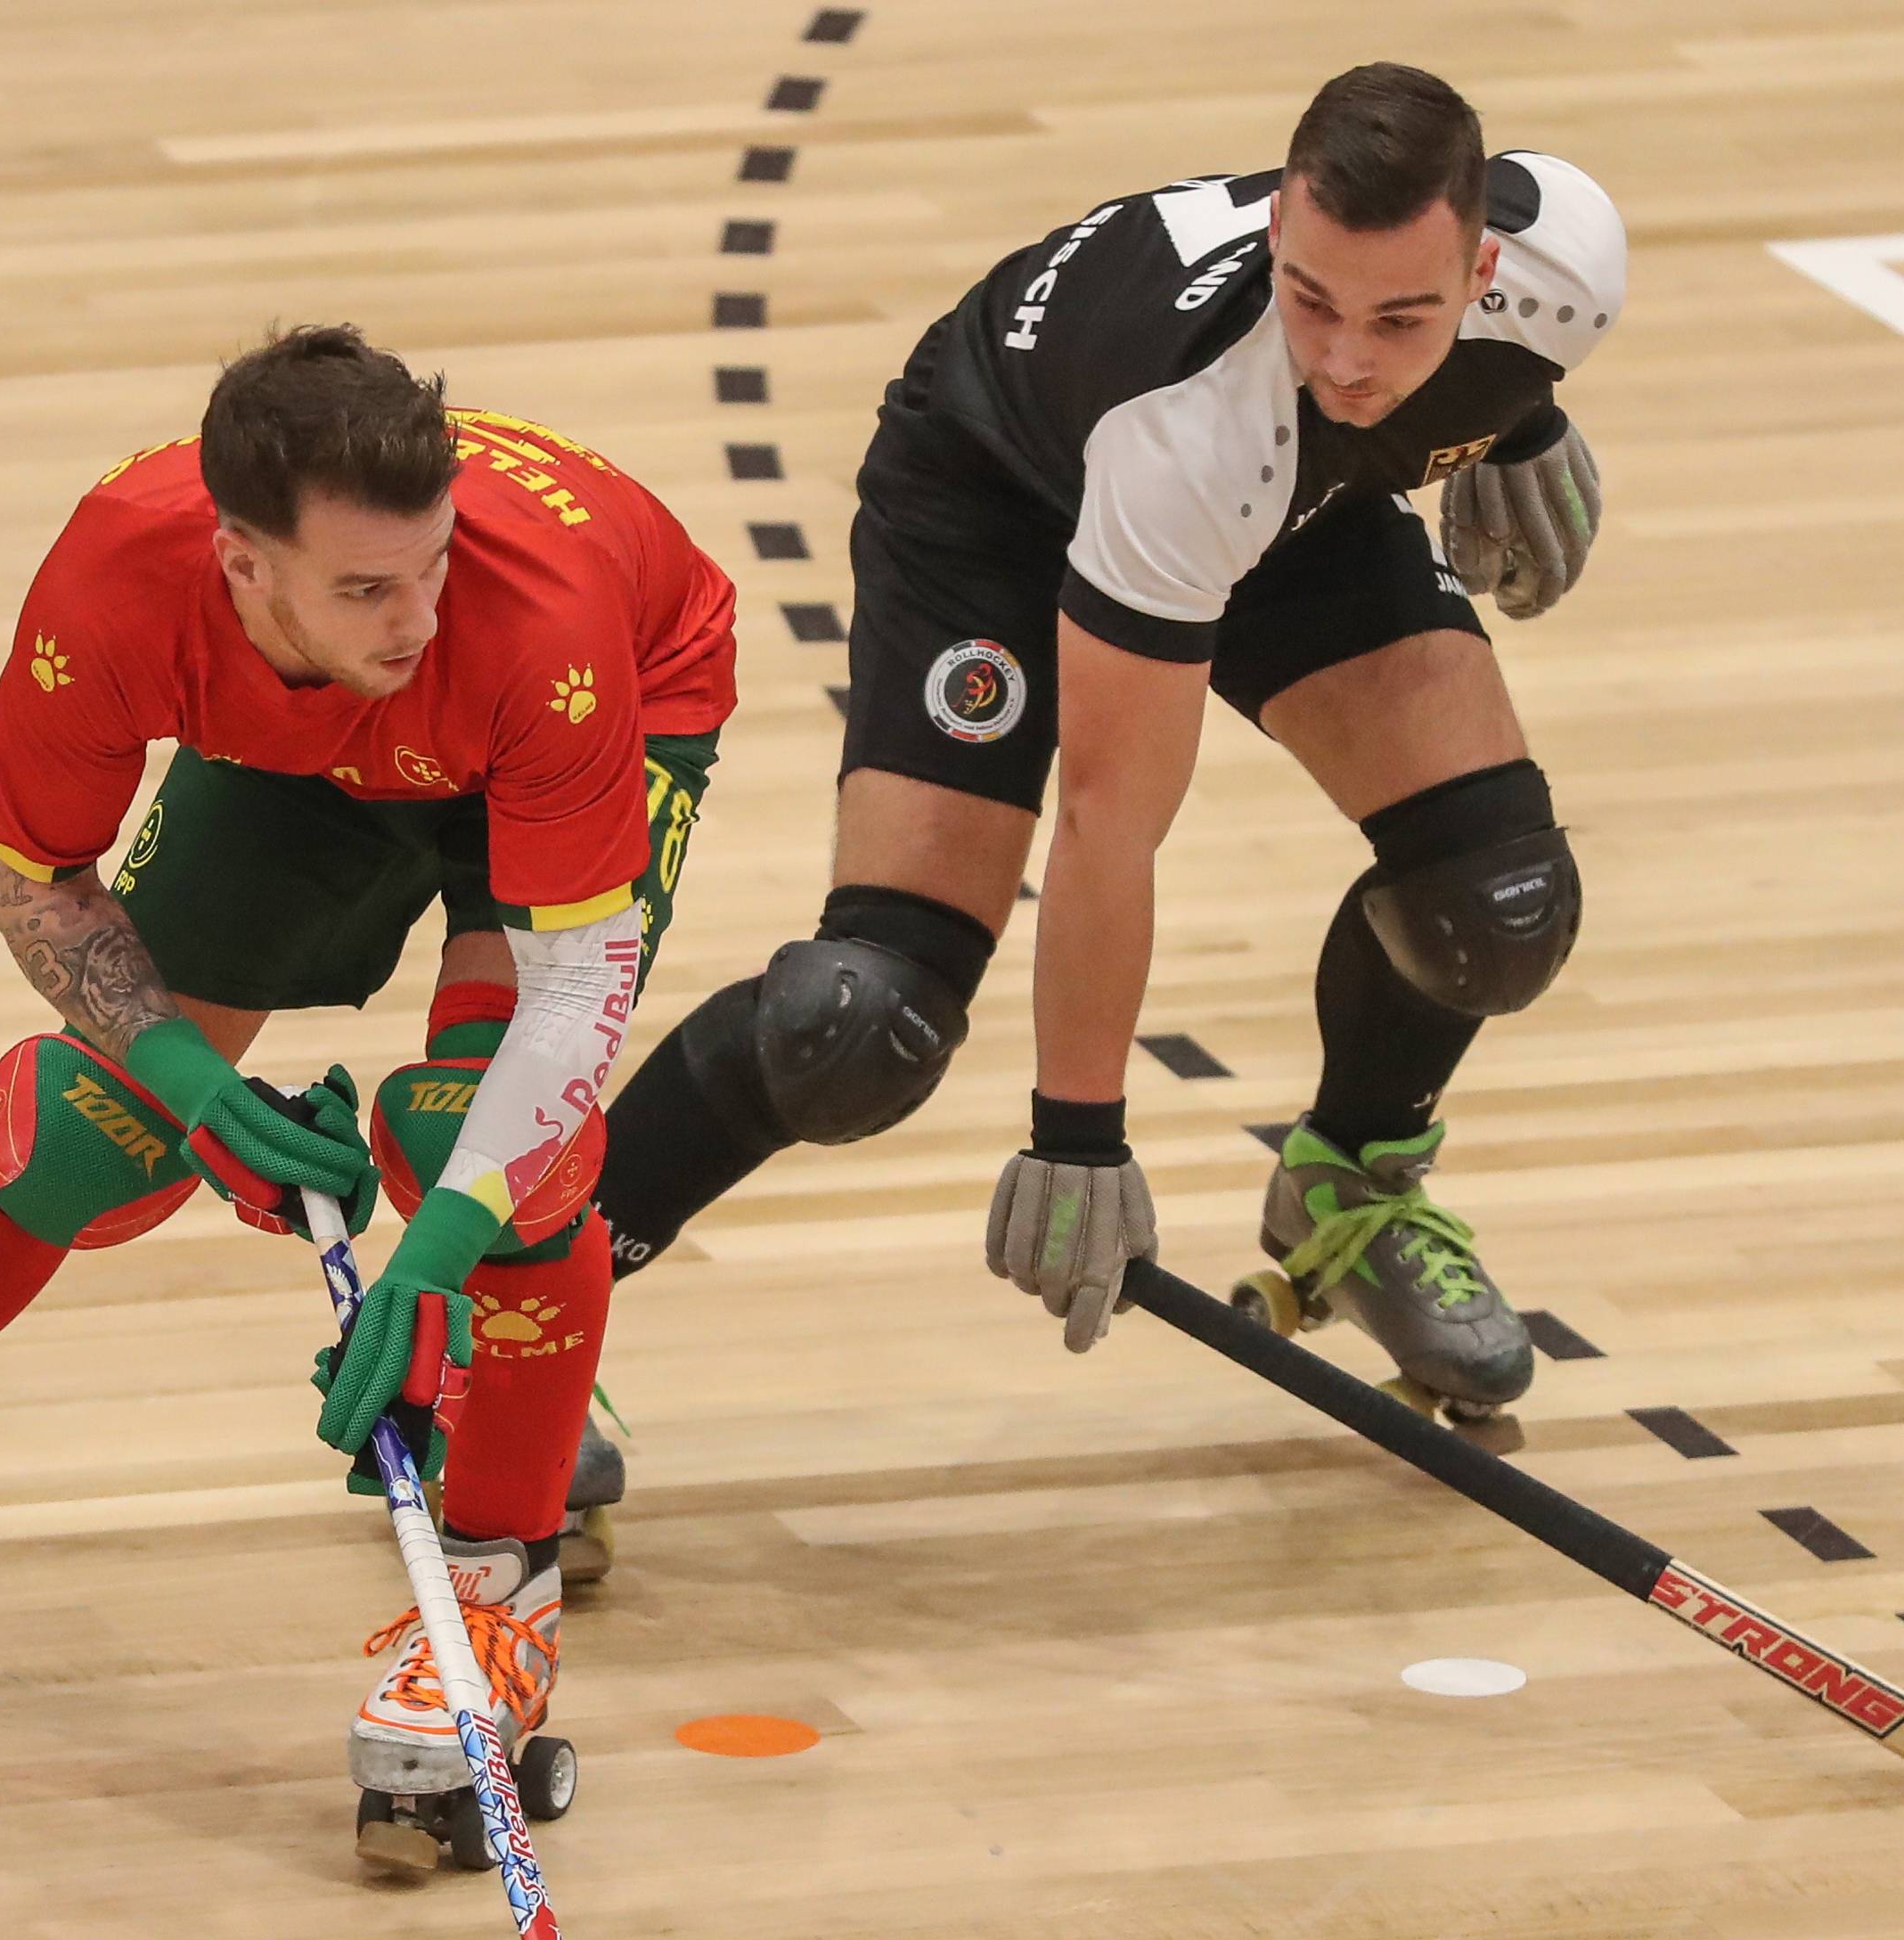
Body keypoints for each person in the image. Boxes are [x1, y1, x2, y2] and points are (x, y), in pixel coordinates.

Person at [0, 326, 733, 1873]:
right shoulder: (121, 574)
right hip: (300, 751)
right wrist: (191, 1091)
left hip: (594, 715)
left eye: (435, 563)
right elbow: (31, 878)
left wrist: (440, 1245)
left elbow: (576, 998)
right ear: (241, 565)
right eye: (367, 588)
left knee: (480, 1140)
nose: (418, 615)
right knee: (82, 1130)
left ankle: (490, 1598)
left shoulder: (529, 623)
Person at [596, 63, 1619, 1447]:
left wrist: (1510, 418)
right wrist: (1079, 1128)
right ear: (1277, 240)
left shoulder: (1568, 260)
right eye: (1311, 298)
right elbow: (1109, 821)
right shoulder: (1192, 427)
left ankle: (1353, 1187)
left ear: (1486, 271)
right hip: (999, 501)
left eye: (1405, 318)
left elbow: (1461, 368)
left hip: (1288, 508)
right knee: (859, 1020)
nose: (1351, 357)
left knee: (1497, 901)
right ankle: (506, 1309)